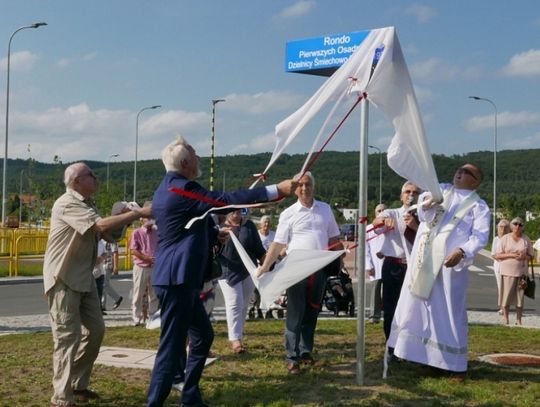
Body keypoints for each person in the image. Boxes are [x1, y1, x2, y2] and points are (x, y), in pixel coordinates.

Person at [147, 136, 297, 407]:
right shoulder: (180, 188)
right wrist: (276, 190)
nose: (199, 158)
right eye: (194, 153)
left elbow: (188, 226)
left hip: (182, 279)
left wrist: (214, 236)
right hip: (176, 280)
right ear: (184, 162)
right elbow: (223, 201)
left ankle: (190, 396)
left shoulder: (172, 188)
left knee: (203, 337)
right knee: (170, 349)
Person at [43, 162, 151, 407]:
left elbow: (109, 234)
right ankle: (61, 397)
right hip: (63, 278)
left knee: (96, 331)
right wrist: (137, 213)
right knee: (66, 338)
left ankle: (78, 385)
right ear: (76, 181)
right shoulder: (67, 203)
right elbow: (100, 226)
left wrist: (121, 214)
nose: (96, 177)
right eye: (91, 174)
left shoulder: (86, 205)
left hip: (84, 277)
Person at [387, 163, 490, 378]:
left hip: (449, 266)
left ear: (477, 181)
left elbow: (480, 236)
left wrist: (462, 251)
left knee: (450, 313)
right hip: (424, 260)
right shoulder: (440, 189)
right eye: (459, 169)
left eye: (468, 172)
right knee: (424, 310)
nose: (460, 172)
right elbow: (423, 216)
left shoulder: (478, 206)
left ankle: (455, 364)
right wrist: (430, 202)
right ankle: (429, 359)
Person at [257, 171, 342, 375]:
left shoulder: (325, 209)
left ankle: (305, 351)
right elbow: (277, 244)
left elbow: (333, 240)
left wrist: (338, 260)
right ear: (295, 189)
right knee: (295, 313)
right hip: (296, 269)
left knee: (312, 312)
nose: (304, 188)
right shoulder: (288, 213)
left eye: (308, 184)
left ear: (314, 186)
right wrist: (264, 266)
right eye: (300, 185)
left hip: (318, 269)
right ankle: (291, 356)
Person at [372, 182, 420, 342]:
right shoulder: (392, 213)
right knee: (391, 307)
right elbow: (376, 222)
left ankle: (410, 346)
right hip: (393, 266)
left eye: (415, 192)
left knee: (413, 308)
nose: (411, 195)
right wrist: (383, 222)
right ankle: (391, 344)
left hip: (415, 266)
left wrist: (415, 227)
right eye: (407, 192)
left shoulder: (425, 218)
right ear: (401, 196)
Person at [218, 209, 266, 353]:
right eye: (233, 211)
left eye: (240, 211)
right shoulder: (220, 227)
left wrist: (267, 262)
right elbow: (214, 248)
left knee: (244, 305)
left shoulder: (249, 226)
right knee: (234, 303)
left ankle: (239, 335)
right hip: (227, 272)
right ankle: (235, 340)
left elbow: (258, 247)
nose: (237, 214)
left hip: (248, 271)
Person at [493, 217, 533, 325]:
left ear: (522, 227)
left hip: (521, 273)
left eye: (520, 224)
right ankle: (506, 319)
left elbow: (531, 255)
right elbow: (497, 255)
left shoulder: (526, 239)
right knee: (506, 296)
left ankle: (519, 320)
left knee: (520, 298)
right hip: (507, 272)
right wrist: (511, 255)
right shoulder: (505, 238)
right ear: (511, 226)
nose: (517, 226)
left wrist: (525, 256)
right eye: (515, 224)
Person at [129, 213, 159, 326]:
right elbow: (133, 250)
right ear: (142, 220)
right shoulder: (136, 232)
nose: (150, 220)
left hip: (154, 266)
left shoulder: (157, 232)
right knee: (138, 293)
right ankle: (136, 317)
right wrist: (146, 258)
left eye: (152, 218)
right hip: (141, 266)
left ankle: (153, 316)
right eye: (148, 218)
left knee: (154, 293)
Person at [249, 214, 276, 319]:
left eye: (268, 222)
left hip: (270, 264)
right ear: (260, 224)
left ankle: (269, 309)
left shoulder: (274, 235)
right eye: (265, 222)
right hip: (258, 264)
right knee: (257, 287)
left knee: (269, 287)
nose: (266, 224)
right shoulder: (256, 235)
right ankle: (257, 308)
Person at [365, 203, 386, 323]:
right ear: (375, 213)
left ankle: (391, 314)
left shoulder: (391, 227)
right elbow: (365, 248)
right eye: (379, 211)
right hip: (375, 264)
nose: (381, 212)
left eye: (384, 210)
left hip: (389, 263)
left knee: (390, 291)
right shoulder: (369, 229)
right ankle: (374, 315)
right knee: (375, 291)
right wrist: (369, 265)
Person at [491, 219, 510, 314]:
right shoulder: (496, 239)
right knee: (501, 286)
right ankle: (502, 307)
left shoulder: (510, 239)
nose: (503, 229)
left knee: (509, 287)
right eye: (501, 227)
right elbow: (493, 254)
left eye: (505, 227)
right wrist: (500, 258)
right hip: (498, 266)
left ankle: (508, 306)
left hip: (510, 266)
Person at [100, 239, 123, 311]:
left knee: (104, 284)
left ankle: (117, 298)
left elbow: (115, 253)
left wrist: (115, 267)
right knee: (103, 285)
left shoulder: (112, 240)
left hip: (108, 264)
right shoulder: (100, 239)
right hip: (101, 264)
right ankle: (102, 305)